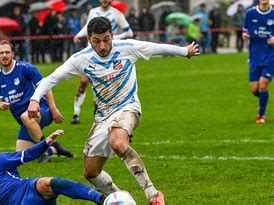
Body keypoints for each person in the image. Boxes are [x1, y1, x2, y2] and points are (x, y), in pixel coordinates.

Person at [27, 16, 199, 205]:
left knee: (117, 143)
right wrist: (35, 99)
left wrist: (185, 51)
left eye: (106, 39)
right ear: (88, 39)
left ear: (112, 36)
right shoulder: (80, 59)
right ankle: (120, 199)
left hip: (128, 106)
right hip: (103, 116)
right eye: (96, 41)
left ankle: (153, 194)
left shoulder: (127, 48)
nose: (102, 46)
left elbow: (156, 47)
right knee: (91, 172)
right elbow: (51, 79)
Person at [0, 129, 107, 205]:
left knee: (47, 183)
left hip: (27, 189)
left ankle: (100, 199)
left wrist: (45, 142)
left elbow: (26, 155)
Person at [0, 40, 73, 160]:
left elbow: (46, 86)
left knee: (26, 117)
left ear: (13, 54)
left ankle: (45, 149)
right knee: (21, 155)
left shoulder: (25, 68)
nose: (4, 55)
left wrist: (53, 109)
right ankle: (53, 149)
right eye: (1, 53)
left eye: (7, 52)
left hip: (42, 110)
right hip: (25, 122)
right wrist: (1, 105)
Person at [70, 0, 133, 124]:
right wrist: (78, 35)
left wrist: (114, 39)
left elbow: (129, 33)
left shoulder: (117, 14)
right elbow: (88, 27)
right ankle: (76, 113)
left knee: (103, 82)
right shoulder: (93, 11)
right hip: (91, 52)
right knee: (84, 81)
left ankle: (99, 110)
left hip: (107, 54)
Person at [242, 0, 274, 124]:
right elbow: (245, 30)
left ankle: (260, 115)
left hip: (270, 55)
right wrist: (245, 35)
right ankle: (263, 97)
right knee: (255, 89)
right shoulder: (250, 14)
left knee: (262, 85)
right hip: (255, 55)